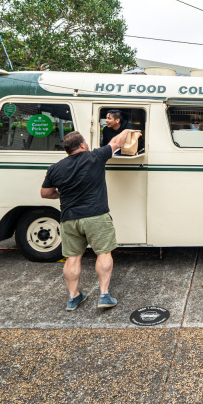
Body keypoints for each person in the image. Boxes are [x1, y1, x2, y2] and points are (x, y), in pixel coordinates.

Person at [41, 129, 130, 311]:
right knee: (103, 253)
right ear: (82, 145)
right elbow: (117, 142)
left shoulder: (55, 168)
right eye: (85, 142)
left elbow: (45, 193)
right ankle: (104, 295)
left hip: (69, 218)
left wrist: (62, 195)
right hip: (96, 215)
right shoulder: (94, 157)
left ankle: (73, 297)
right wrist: (127, 130)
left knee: (72, 257)